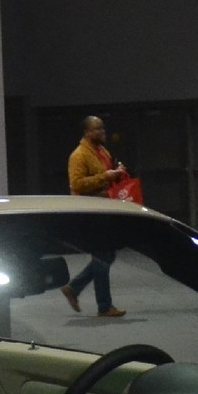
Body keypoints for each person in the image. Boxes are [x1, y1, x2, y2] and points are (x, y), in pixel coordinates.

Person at [59, 115, 127, 316]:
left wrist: (117, 173)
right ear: (86, 132)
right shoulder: (79, 155)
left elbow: (105, 178)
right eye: (97, 129)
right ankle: (104, 306)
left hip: (104, 209)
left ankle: (74, 288)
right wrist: (105, 176)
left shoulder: (102, 151)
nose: (102, 132)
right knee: (103, 256)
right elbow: (77, 184)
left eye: (103, 129)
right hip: (90, 212)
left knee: (106, 254)